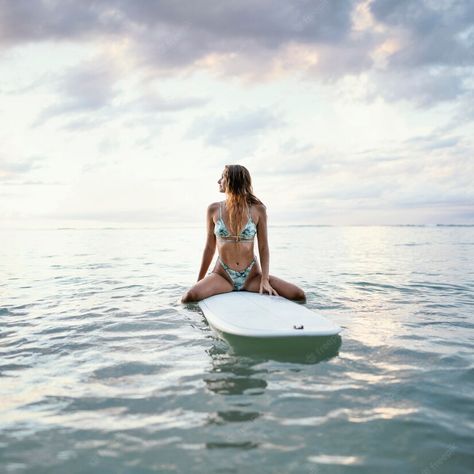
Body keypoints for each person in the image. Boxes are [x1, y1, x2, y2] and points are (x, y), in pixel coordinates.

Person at [181, 165, 306, 303]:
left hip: (252, 277)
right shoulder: (214, 209)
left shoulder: (258, 210)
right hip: (223, 276)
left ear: (232, 181)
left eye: (222, 177)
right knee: (189, 297)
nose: (218, 181)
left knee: (298, 294)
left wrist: (264, 280)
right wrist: (200, 281)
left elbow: (263, 247)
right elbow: (209, 248)